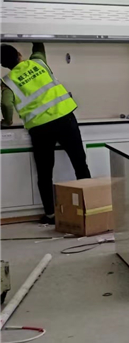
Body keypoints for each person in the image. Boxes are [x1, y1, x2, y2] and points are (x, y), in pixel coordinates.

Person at [1, 42, 91, 224]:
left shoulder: (8, 81)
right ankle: (90, 208)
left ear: (3, 65)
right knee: (80, 163)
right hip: (65, 119)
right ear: (19, 54)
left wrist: (7, 121)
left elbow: (6, 104)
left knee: (44, 173)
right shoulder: (38, 62)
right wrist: (34, 35)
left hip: (40, 128)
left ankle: (50, 214)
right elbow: (39, 46)